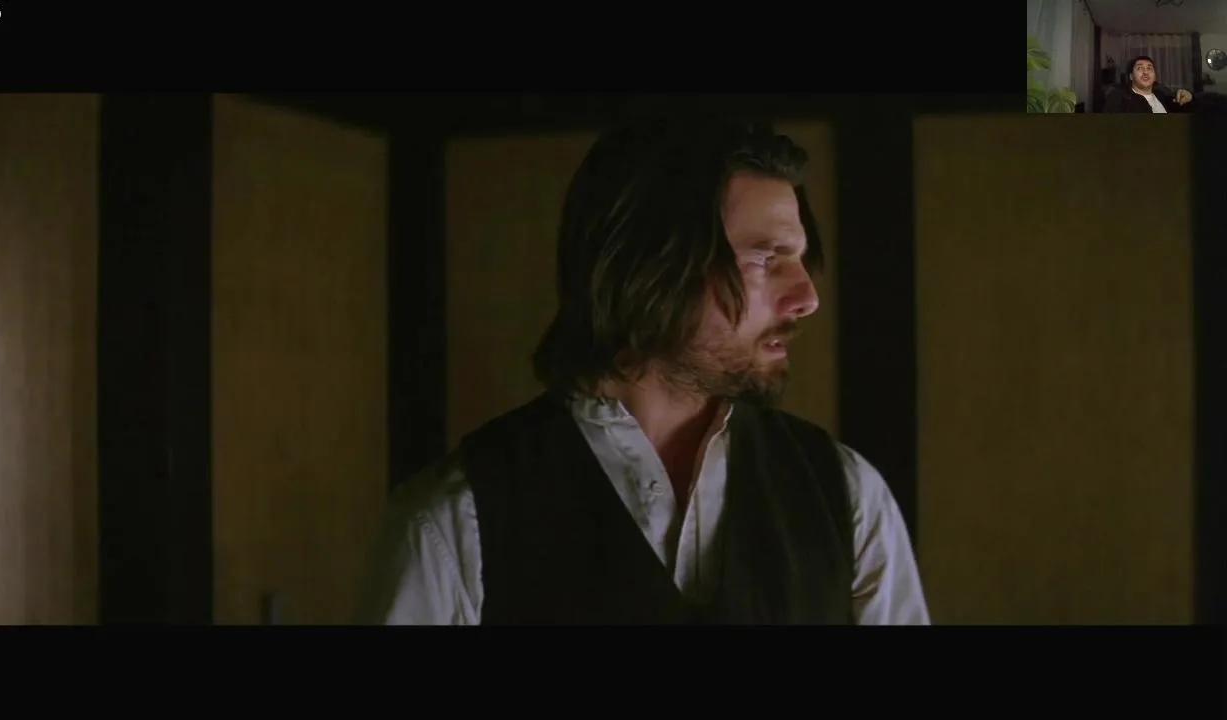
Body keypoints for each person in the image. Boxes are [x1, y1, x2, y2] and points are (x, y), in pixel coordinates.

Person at [361, 116, 930, 625]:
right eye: (765, 258)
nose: (806, 298)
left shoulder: (846, 497)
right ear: (649, 265)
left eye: (801, 260)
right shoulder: (460, 520)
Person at [1104, 55, 1194, 113]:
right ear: (1131, 76)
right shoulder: (1119, 98)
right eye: (1140, 68)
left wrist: (1189, 98)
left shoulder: (1163, 96)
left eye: (1149, 68)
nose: (1145, 72)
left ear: (1155, 77)